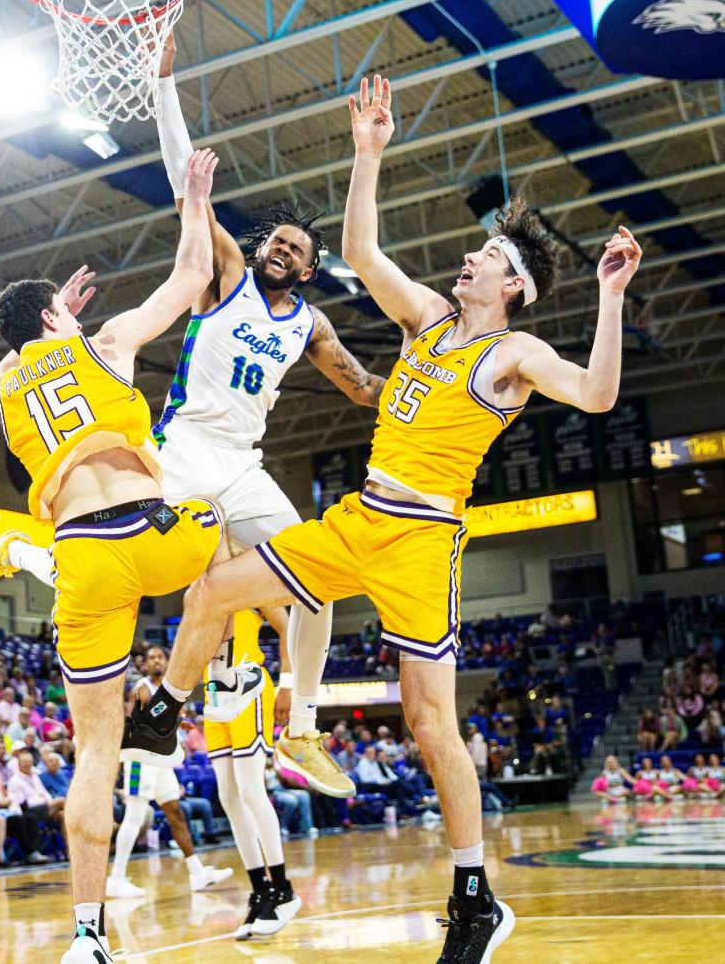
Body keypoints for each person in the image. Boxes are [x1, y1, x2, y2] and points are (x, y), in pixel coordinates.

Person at [124, 73, 642, 964]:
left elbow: (597, 395)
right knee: (213, 588)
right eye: (476, 252)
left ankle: (475, 895)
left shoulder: (514, 350)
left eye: (485, 256)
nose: (469, 258)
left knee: (429, 723)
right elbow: (361, 249)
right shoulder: (430, 319)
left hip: (423, 541)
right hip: (359, 517)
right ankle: (169, 705)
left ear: (510, 284)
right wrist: (369, 152)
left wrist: (610, 297)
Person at [0, 28, 385, 792]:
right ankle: (185, 677)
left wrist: (436, 374)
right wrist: (162, 84)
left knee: (315, 576)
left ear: (313, 268)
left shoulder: (312, 325)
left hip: (244, 466)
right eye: (273, 240)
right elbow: (190, 178)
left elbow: (365, 389)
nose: (280, 249)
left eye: (294, 247)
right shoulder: (226, 275)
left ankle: (304, 726)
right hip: (178, 451)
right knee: (152, 570)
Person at [0, 149, 259, 964]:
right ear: (59, 319)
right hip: (151, 532)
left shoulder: (7, 387)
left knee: (91, 753)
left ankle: (86, 939)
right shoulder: (109, 342)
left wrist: (40, 328)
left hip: (83, 558)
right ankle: (176, 699)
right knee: (228, 528)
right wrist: (195, 199)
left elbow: (0, 378)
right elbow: (194, 275)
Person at [203, 601, 301, 939]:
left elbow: (289, 627)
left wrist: (287, 683)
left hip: (249, 688)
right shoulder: (197, 581)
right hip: (214, 694)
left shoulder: (249, 568)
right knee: (228, 798)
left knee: (249, 790)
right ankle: (260, 891)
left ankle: (284, 889)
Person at [109, 645, 232, 898]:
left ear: (167, 662)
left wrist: (179, 720)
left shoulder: (170, 691)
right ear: (146, 665)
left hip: (161, 760)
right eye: (151, 658)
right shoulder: (142, 688)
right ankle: (117, 878)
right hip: (140, 758)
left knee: (175, 811)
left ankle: (197, 872)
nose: (155, 661)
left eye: (159, 657)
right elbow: (145, 720)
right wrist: (175, 716)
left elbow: (165, 720)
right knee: (134, 815)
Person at [0, 746, 49, 865]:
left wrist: (6, 800)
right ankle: (29, 852)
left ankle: (35, 851)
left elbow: (3, 792)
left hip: (4, 807)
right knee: (18, 820)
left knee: (30, 818)